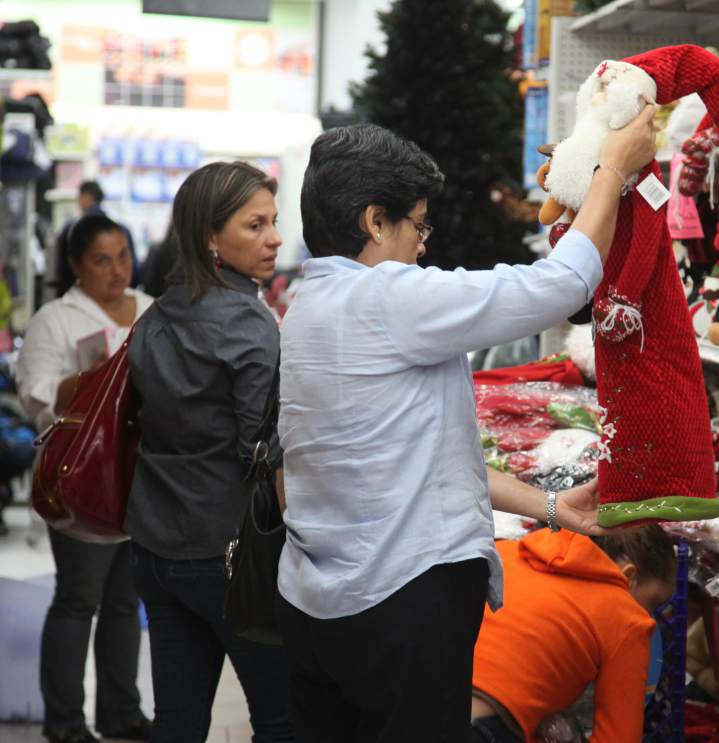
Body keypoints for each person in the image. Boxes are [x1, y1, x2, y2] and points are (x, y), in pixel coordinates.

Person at [275, 108, 657, 742]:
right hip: (399, 607)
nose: (422, 245)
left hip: (317, 604)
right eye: (417, 227)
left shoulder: (308, 304)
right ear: (374, 221)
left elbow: (429, 463)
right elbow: (559, 285)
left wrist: (553, 506)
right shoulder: (385, 297)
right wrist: (612, 166)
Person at [125, 162, 293, 743]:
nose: (274, 238)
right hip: (228, 554)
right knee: (281, 717)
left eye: (274, 222)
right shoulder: (249, 320)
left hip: (152, 545)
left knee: (177, 719)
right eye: (255, 226)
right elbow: (260, 448)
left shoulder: (155, 315)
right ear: (209, 238)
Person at [17, 213, 153, 743]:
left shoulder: (150, 309)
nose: (117, 270)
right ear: (75, 265)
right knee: (79, 598)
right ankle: (66, 722)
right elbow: (34, 394)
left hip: (140, 478)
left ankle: (122, 712)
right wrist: (98, 377)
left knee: (125, 602)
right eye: (102, 259)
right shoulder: (56, 319)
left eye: (123, 256)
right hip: (80, 478)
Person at [470, 526, 677, 743]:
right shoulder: (627, 616)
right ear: (629, 577)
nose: (651, 617)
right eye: (654, 602)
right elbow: (619, 738)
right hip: (486, 727)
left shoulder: (507, 551)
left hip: (437, 697)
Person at [54, 181, 140, 296]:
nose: (116, 271)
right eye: (102, 261)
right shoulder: (122, 229)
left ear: (85, 197)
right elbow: (135, 274)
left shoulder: (71, 229)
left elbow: (62, 272)